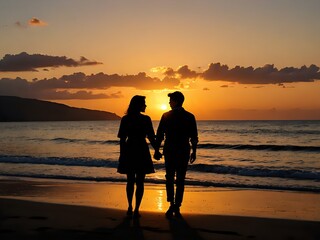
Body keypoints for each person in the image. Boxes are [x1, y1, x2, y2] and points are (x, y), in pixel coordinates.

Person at [154, 91, 198, 218]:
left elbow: (160, 135)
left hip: (170, 149)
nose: (169, 102)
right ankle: (177, 205)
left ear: (176, 101)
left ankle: (172, 203)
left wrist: (157, 150)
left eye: (171, 100)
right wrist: (194, 151)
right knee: (180, 178)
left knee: (169, 177)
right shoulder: (190, 116)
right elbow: (194, 137)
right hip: (184, 149)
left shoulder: (166, 116)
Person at [117, 95, 160, 218]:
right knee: (140, 182)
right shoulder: (146, 119)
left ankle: (130, 206)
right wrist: (156, 150)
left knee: (130, 180)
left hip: (129, 149)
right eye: (144, 103)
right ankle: (136, 209)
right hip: (141, 149)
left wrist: (122, 154)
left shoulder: (125, 119)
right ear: (139, 105)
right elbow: (151, 137)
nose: (146, 105)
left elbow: (122, 139)